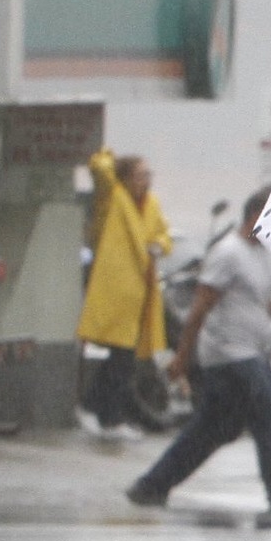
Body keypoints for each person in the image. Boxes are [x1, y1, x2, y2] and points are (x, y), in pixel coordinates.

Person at [126, 186, 271, 521]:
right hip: (228, 354)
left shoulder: (261, 255)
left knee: (214, 429)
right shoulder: (228, 252)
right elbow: (200, 308)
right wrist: (182, 358)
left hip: (252, 352)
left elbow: (256, 307)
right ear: (255, 215)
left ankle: (151, 486)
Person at [78, 152, 170, 439]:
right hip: (117, 289)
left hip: (141, 293)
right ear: (126, 177)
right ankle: (102, 413)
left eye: (148, 174)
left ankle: (103, 413)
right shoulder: (114, 197)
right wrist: (110, 160)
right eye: (140, 174)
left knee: (124, 359)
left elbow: (162, 235)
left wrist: (158, 245)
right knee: (121, 357)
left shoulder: (151, 204)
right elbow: (99, 168)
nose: (146, 180)